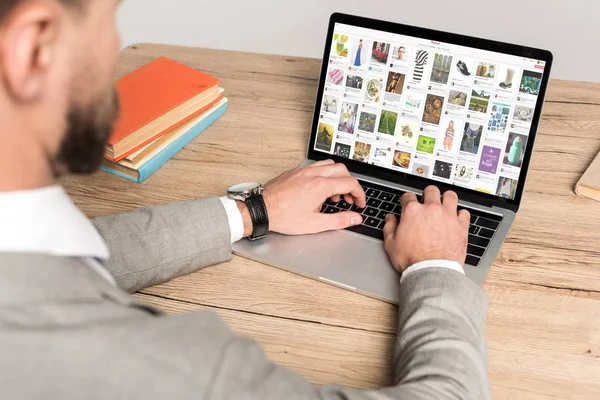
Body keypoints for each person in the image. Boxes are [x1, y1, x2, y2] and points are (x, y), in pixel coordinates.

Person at [0, 1, 490, 399]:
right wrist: (435, 266)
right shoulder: (161, 368)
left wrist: (253, 211)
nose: (113, 49)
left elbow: (64, 262)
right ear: (32, 46)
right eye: (108, 17)